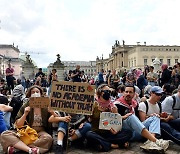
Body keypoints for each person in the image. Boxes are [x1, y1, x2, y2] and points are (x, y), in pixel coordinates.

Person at [114, 85, 169, 153]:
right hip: (125, 133)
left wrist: (150, 116)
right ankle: (155, 141)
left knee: (155, 116)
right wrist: (123, 117)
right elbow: (113, 121)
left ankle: (150, 143)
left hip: (137, 131)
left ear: (134, 94)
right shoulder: (116, 104)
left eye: (130, 92)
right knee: (131, 116)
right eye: (126, 92)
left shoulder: (135, 104)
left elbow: (139, 121)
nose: (128, 94)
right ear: (123, 93)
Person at [1, 85, 53, 154]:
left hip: (40, 132)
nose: (35, 94)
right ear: (29, 95)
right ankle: (30, 150)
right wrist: (25, 114)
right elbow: (18, 124)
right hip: (26, 132)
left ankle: (18, 148)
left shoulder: (46, 105)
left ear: (41, 94)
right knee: (5, 134)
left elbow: (54, 119)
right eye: (33, 92)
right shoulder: (25, 105)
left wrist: (52, 112)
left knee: (48, 139)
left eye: (37, 92)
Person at [86, 84, 132, 152]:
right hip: (97, 132)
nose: (109, 93)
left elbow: (116, 123)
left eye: (109, 91)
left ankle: (103, 144)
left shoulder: (112, 106)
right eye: (107, 91)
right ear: (100, 92)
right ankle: (115, 145)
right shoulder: (93, 104)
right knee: (89, 134)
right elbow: (89, 119)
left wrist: (116, 114)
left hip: (109, 133)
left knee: (128, 133)